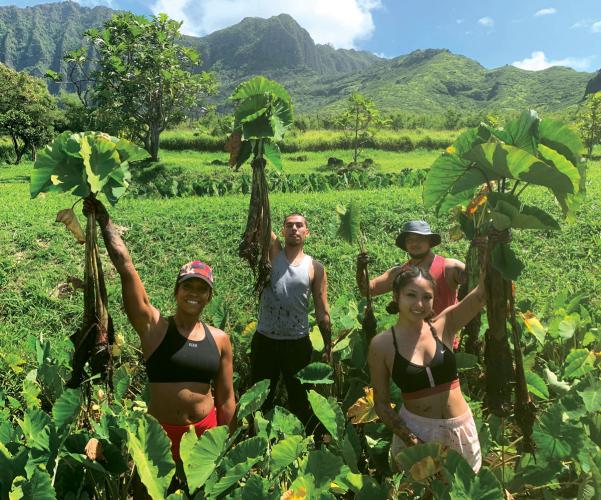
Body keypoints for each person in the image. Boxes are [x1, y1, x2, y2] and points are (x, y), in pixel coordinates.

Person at [84, 199, 235, 462]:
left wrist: (226, 442)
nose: (194, 294)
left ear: (209, 297)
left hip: (205, 434)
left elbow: (226, 398)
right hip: (160, 435)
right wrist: (104, 221)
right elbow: (125, 266)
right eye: (188, 286)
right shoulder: (155, 328)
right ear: (177, 291)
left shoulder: (220, 339)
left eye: (201, 289)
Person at [368, 265, 486, 472]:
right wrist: (413, 442)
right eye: (411, 295)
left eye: (427, 297)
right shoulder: (382, 345)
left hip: (460, 429)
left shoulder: (445, 325)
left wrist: (493, 247)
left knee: (464, 492)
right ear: (396, 296)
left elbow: (482, 294)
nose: (419, 304)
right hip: (417, 432)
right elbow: (382, 404)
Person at [250, 213, 332, 429]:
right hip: (265, 340)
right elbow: (261, 219)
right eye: (289, 225)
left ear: (307, 232)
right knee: (260, 396)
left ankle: (301, 444)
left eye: (299, 225)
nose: (294, 229)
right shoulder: (274, 252)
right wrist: (259, 181)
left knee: (300, 397)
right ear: (283, 231)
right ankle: (258, 439)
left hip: (297, 343)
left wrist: (328, 345)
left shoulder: (315, 267)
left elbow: (322, 309)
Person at [357, 220, 466, 317]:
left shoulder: (449, 268)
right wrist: (361, 268)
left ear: (429, 241)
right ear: (405, 244)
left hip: (443, 337)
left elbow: (478, 284)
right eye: (409, 239)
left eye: (419, 238)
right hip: (409, 338)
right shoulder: (398, 273)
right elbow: (367, 290)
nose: (414, 243)